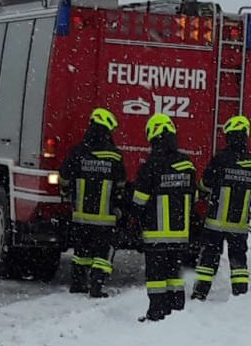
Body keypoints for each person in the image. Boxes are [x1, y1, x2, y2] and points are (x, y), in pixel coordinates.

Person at [129, 114, 197, 321]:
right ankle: (176, 310)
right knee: (174, 274)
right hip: (180, 234)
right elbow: (193, 197)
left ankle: (156, 313)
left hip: (156, 233)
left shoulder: (151, 166)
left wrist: (133, 221)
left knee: (156, 278)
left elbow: (139, 200)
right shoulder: (187, 164)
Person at [59, 108, 127, 297]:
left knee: (81, 252)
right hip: (105, 218)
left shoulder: (77, 152)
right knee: (103, 252)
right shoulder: (114, 156)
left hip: (81, 215)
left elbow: (63, 178)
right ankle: (96, 286)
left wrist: (66, 192)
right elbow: (121, 184)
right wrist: (118, 204)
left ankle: (78, 283)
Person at [191, 115, 251, 300]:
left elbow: (205, 183)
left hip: (216, 222)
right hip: (239, 224)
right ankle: (241, 294)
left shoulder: (221, 159)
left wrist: (202, 192)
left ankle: (200, 293)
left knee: (208, 259)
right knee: (238, 262)